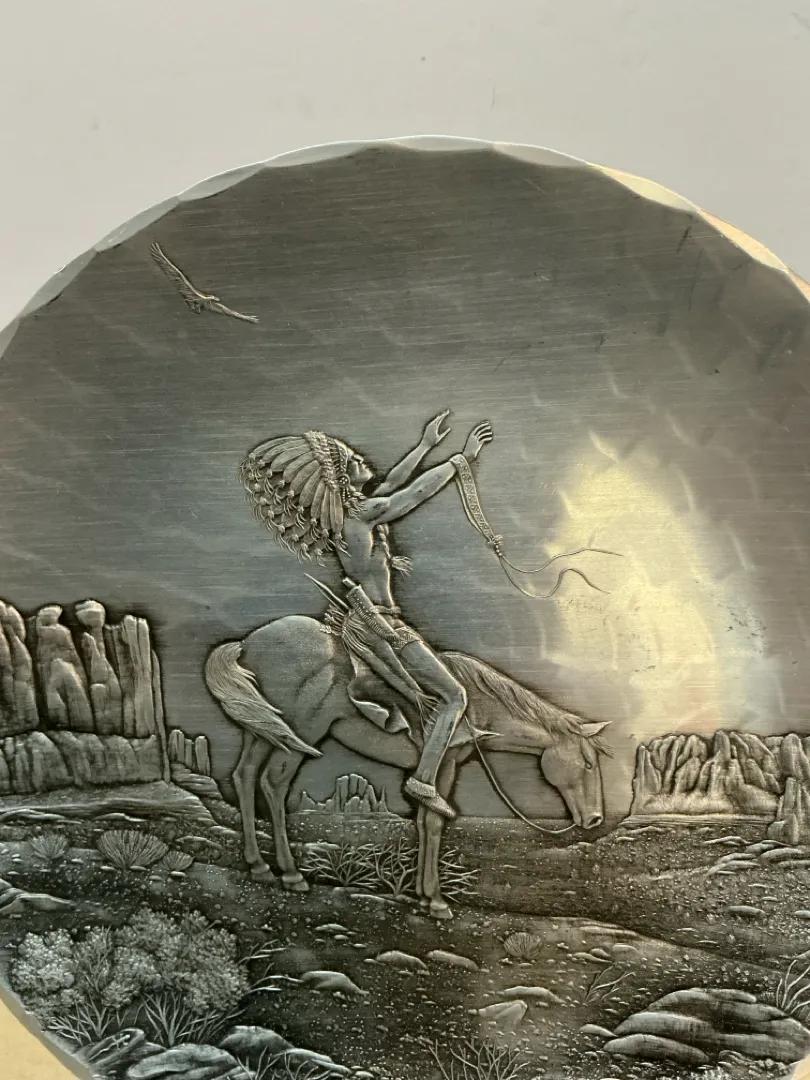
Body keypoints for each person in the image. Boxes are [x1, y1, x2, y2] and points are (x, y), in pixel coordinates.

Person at [239, 411, 493, 818]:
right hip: (382, 623)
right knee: (454, 696)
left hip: (370, 618)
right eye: (352, 460)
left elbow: (391, 484)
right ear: (341, 479)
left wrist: (425, 445)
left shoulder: (353, 513)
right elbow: (410, 495)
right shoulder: (362, 516)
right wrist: (460, 460)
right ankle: (423, 781)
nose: (361, 458)